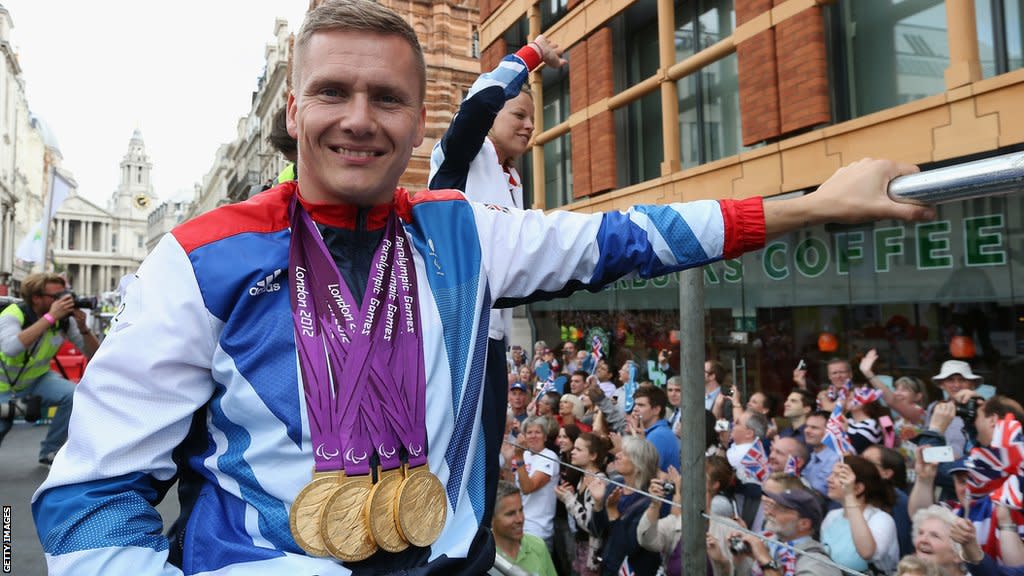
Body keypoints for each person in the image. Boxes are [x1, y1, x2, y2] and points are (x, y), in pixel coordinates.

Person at [31, 0, 935, 573]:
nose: (358, 119)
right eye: (333, 93)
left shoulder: (460, 233)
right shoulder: (196, 259)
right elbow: (91, 497)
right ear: (293, 110)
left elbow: (632, 236)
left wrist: (813, 206)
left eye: (385, 98)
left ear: (417, 119)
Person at [0, 272, 98, 465]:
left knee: (73, 395)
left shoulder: (64, 320)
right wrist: (50, 317)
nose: (64, 301)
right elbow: (11, 349)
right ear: (36, 298)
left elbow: (94, 355)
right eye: (57, 297)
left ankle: (51, 450)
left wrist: (84, 329)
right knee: (3, 424)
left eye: (66, 294)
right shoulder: (12, 315)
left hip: (37, 380)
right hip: (2, 386)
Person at [724, 479, 842, 576]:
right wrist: (738, 560)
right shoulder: (768, 545)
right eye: (772, 505)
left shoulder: (817, 564)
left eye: (781, 509)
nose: (770, 512)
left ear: (804, 524)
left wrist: (766, 561)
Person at [590, 435, 662, 576]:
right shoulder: (614, 485)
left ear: (638, 464)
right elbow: (597, 531)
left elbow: (629, 547)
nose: (618, 455)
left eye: (625, 454)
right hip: (607, 567)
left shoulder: (649, 501)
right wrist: (598, 504)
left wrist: (613, 513)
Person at [821, 455, 899, 574]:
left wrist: (849, 495)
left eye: (838, 476)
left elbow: (867, 553)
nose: (829, 479)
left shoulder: (881, 519)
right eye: (832, 474)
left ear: (858, 488)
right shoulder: (832, 516)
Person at [555, 431, 610, 576]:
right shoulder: (583, 477)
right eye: (574, 448)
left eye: (578, 449)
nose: (572, 452)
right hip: (580, 547)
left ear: (593, 456)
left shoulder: (599, 481)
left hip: (591, 553)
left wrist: (568, 499)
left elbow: (591, 524)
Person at [492, 480, 558, 576]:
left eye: (521, 510)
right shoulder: (482, 557)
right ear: (491, 518)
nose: (520, 519)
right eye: (510, 514)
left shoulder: (538, 546)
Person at [631, 385, 680, 472]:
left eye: (641, 405)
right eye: (635, 404)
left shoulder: (658, 435)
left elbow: (642, 471)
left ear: (656, 410)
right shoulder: (655, 432)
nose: (635, 409)